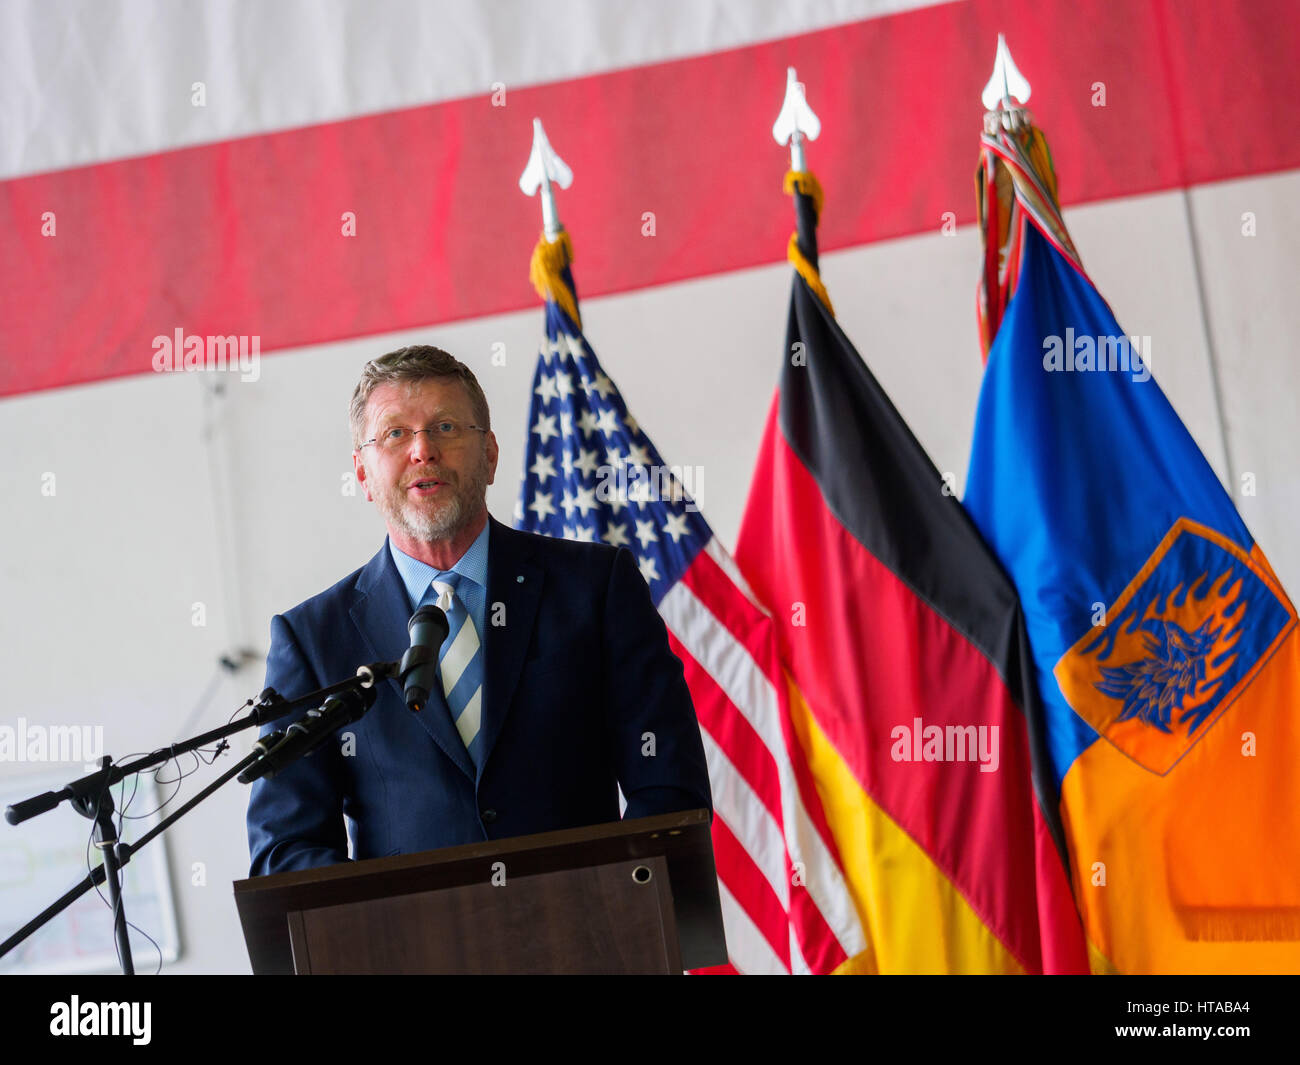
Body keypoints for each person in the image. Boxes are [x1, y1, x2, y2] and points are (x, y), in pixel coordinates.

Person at [245, 345, 712, 876]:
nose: (423, 449)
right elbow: (287, 848)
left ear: (490, 455)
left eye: (445, 427)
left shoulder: (595, 587)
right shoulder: (312, 640)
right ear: (362, 473)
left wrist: (615, 906)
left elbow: (668, 786)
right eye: (395, 433)